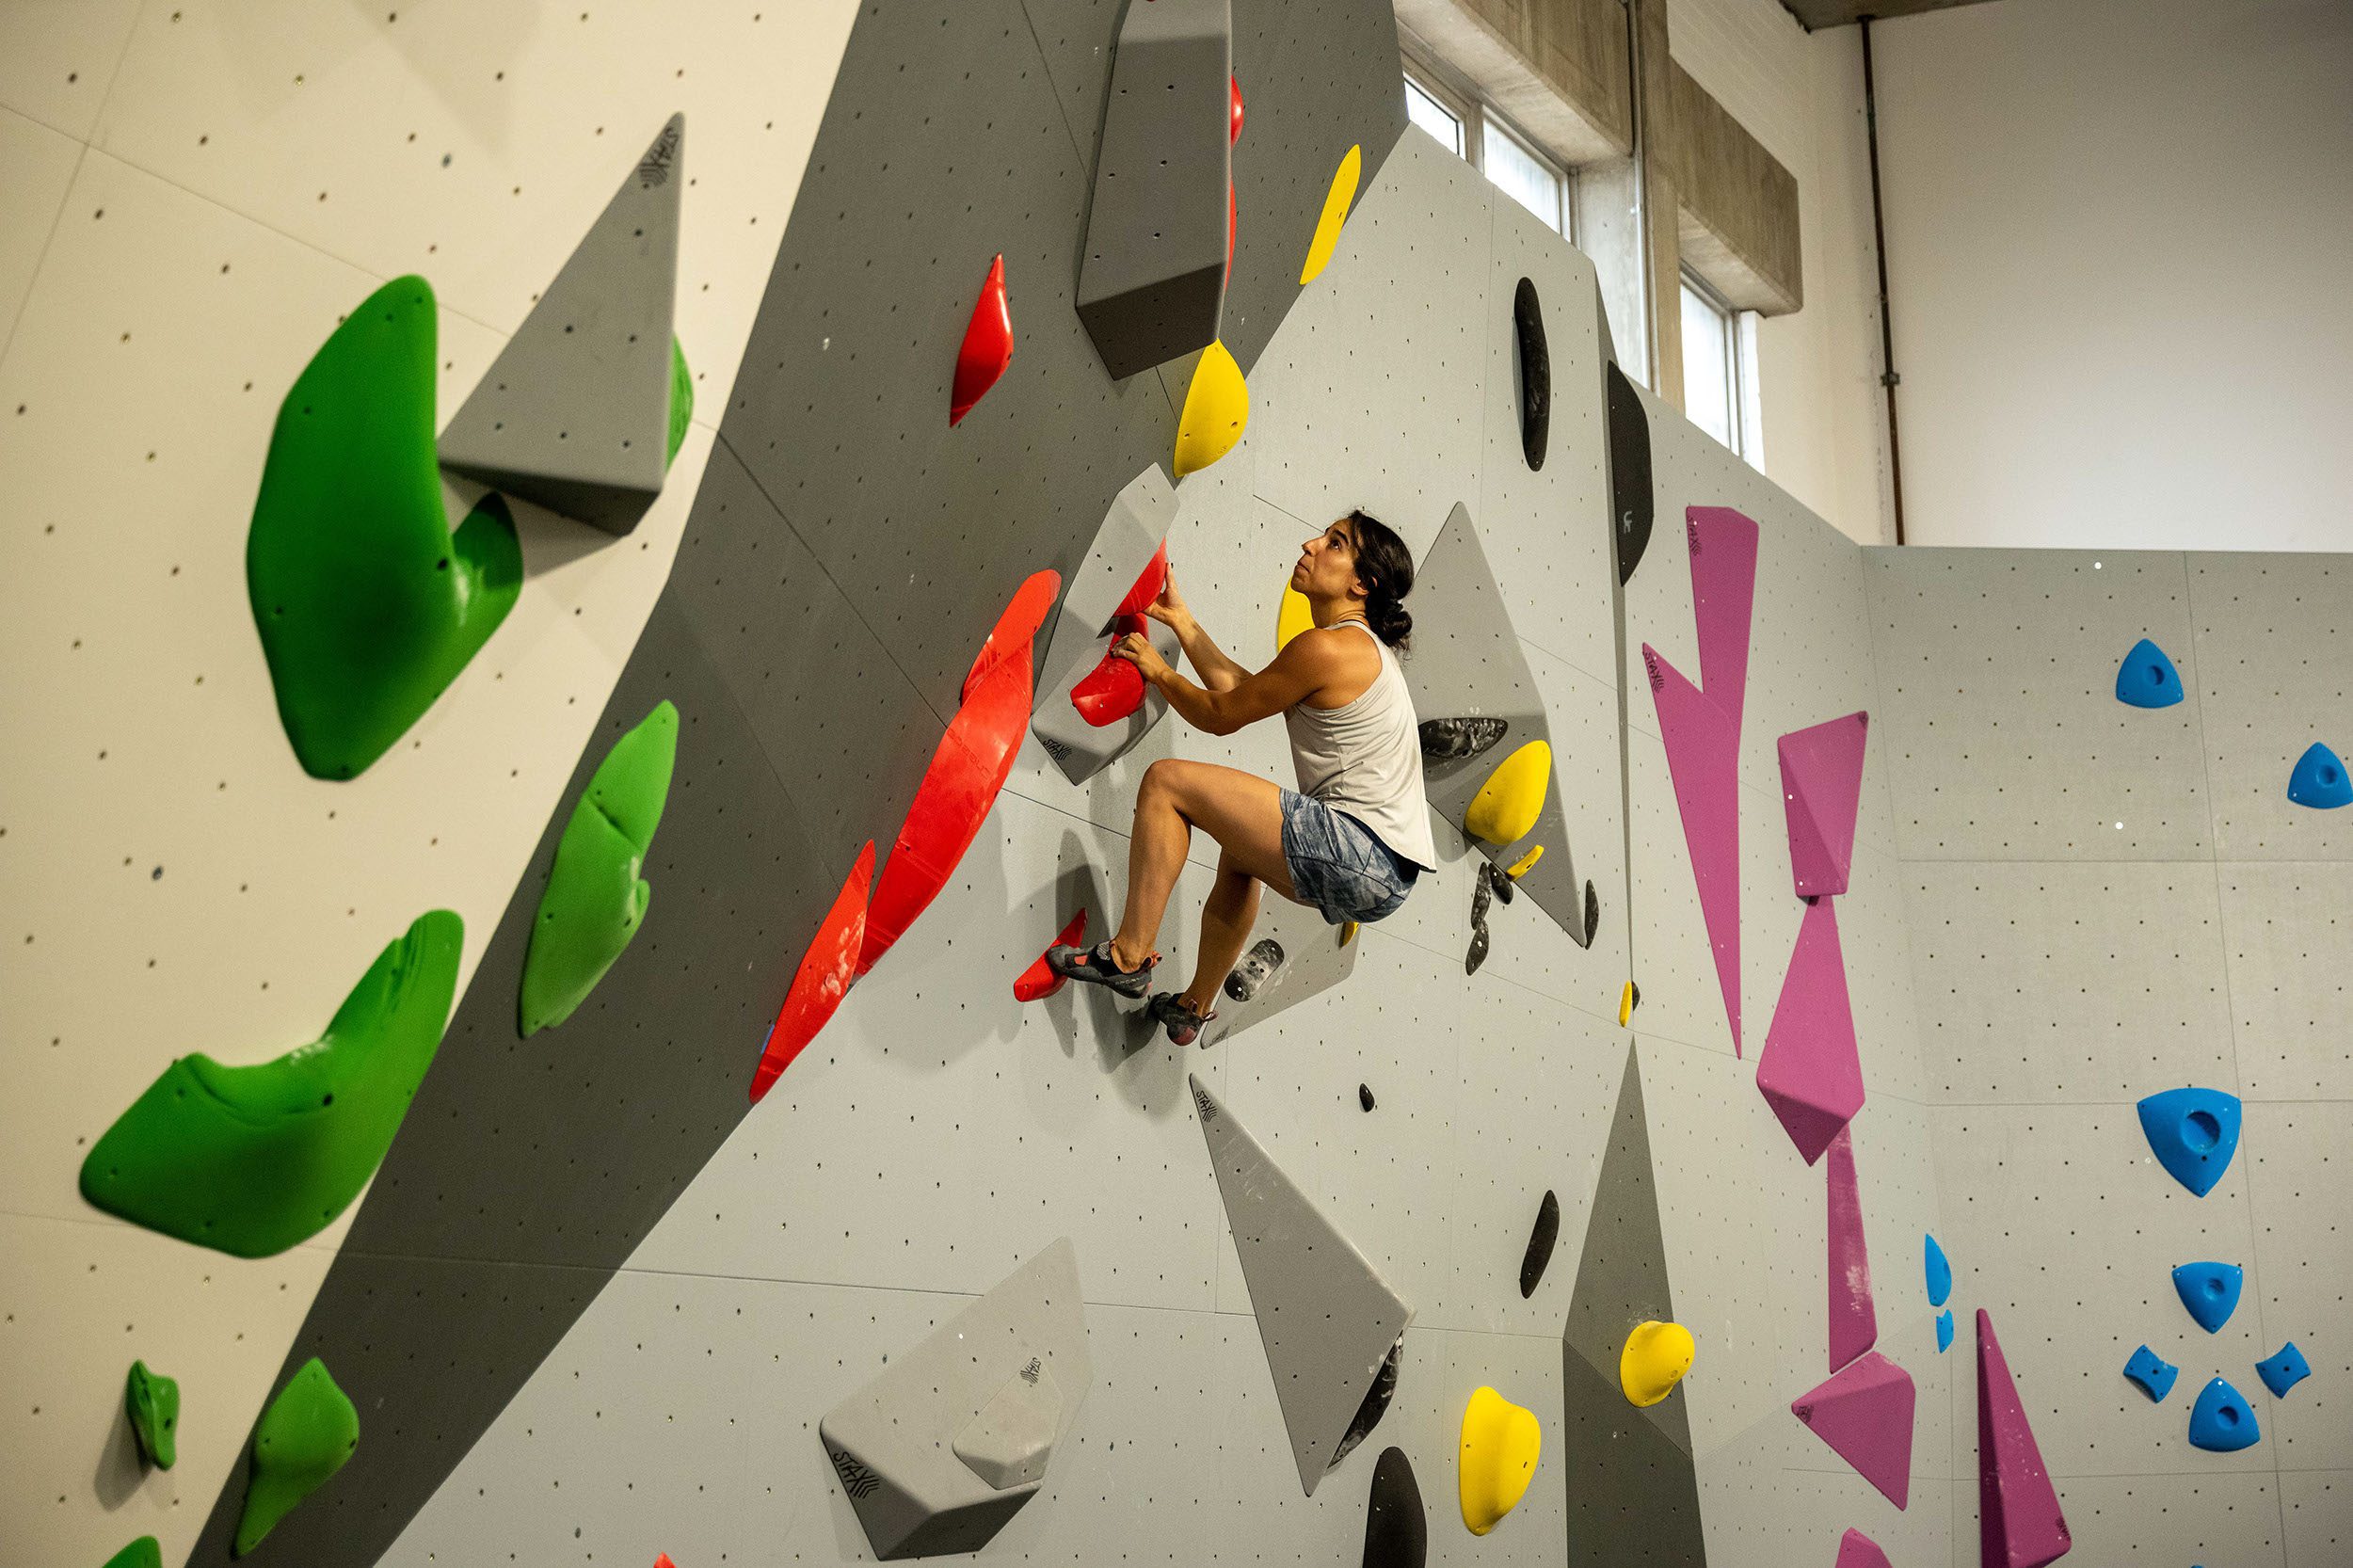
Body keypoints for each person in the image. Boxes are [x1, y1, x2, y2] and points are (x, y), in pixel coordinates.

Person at [1048, 509, 1438, 1045]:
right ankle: (1191, 1010)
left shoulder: (1327, 648)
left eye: (1335, 543)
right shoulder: (1352, 651)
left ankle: (1127, 957)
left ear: (1361, 583)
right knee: (1241, 849)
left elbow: (1220, 717)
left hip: (1357, 848)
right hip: (1388, 879)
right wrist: (1182, 622)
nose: (1311, 543)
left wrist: (1157, 671)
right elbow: (1241, 690)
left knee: (1165, 783)